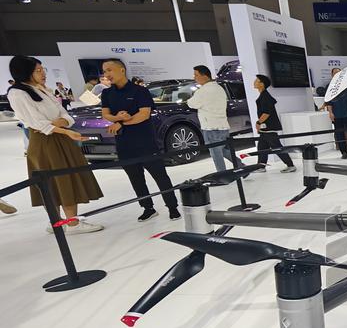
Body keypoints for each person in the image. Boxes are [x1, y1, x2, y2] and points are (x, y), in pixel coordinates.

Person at [7, 56, 104, 232]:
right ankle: (63, 223)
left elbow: (65, 115)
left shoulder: (43, 89)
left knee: (67, 179)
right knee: (53, 182)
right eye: (38, 70)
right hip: (45, 142)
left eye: (42, 69)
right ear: (25, 72)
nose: (43, 73)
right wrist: (64, 128)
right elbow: (38, 124)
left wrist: (61, 123)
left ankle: (70, 221)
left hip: (60, 138)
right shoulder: (18, 93)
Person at [99, 59, 180, 221]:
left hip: (145, 142)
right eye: (104, 71)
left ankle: (172, 206)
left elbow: (144, 114)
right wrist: (117, 118)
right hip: (123, 143)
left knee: (160, 176)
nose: (107, 74)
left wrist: (121, 122)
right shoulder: (107, 93)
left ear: (121, 70)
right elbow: (105, 114)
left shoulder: (140, 91)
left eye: (109, 70)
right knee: (135, 178)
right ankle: (147, 207)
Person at [188, 65, 241, 173]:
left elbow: (191, 104)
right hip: (223, 126)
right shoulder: (219, 88)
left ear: (204, 75)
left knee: (216, 153)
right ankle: (241, 167)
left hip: (211, 127)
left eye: (196, 75)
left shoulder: (203, 91)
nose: (194, 77)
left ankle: (223, 176)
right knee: (224, 150)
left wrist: (191, 98)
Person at [252, 74, 296, 173]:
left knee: (277, 148)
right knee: (262, 147)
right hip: (265, 128)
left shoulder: (265, 96)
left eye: (257, 80)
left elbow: (266, 113)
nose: (254, 82)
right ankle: (261, 166)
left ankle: (290, 165)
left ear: (262, 84)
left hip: (269, 127)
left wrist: (258, 122)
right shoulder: (263, 95)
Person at [328, 84, 347, 160]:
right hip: (337, 115)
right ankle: (344, 152)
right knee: (339, 134)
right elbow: (329, 102)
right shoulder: (330, 88)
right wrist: (331, 112)